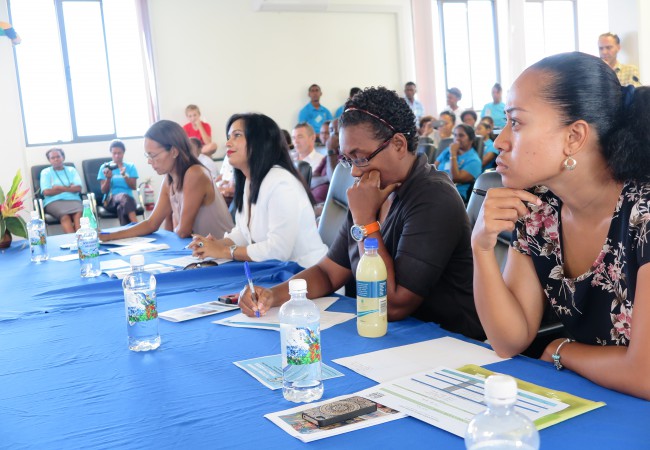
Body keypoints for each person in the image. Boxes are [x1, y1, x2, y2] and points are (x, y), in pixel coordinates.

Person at [237, 87, 485, 341]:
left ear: (398, 144)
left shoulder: (434, 198)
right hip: (389, 337)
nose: (354, 172)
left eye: (361, 158)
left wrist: (365, 221)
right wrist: (273, 295)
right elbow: (329, 272)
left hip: (445, 344)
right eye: (348, 160)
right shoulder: (372, 190)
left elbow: (394, 305)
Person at [471, 51, 650, 400]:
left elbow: (645, 375)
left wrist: (561, 349)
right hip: (600, 397)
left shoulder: (643, 214)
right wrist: (481, 246)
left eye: (517, 123)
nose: (499, 141)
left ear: (574, 137)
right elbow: (509, 340)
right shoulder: (540, 209)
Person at [189, 113, 327, 269]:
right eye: (229, 136)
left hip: (307, 277)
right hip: (278, 273)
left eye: (237, 135)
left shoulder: (282, 183)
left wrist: (225, 250)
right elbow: (243, 232)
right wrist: (213, 245)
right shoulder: (250, 180)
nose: (228, 143)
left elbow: (278, 251)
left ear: (259, 143)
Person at [100, 120, 233, 241]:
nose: (149, 161)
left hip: (223, 255)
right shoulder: (169, 179)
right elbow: (151, 223)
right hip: (201, 252)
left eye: (152, 155)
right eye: (147, 155)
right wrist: (109, 236)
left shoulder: (195, 173)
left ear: (174, 151)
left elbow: (183, 231)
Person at [434, 124, 482, 201]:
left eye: (461, 135)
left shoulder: (474, 161)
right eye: (455, 135)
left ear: (471, 139)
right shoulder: (448, 150)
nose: (457, 139)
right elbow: (434, 167)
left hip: (454, 195)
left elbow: (455, 178)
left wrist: (453, 154)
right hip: (437, 188)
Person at [40, 148, 83, 233]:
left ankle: (81, 240)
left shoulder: (71, 170)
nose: (56, 159)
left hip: (73, 199)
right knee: (64, 216)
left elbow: (78, 188)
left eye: (58, 156)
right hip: (53, 201)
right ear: (49, 160)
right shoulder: (46, 172)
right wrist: (69, 188)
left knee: (79, 213)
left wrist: (58, 188)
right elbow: (46, 192)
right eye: (53, 158)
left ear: (63, 157)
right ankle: (73, 241)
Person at [97, 140, 139, 225]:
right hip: (110, 201)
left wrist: (124, 175)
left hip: (128, 201)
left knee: (121, 208)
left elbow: (133, 187)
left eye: (119, 153)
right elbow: (103, 191)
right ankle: (138, 227)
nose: (117, 155)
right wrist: (108, 178)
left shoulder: (130, 167)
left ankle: (127, 235)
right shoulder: (105, 167)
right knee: (123, 197)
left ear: (123, 153)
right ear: (111, 153)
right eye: (114, 153)